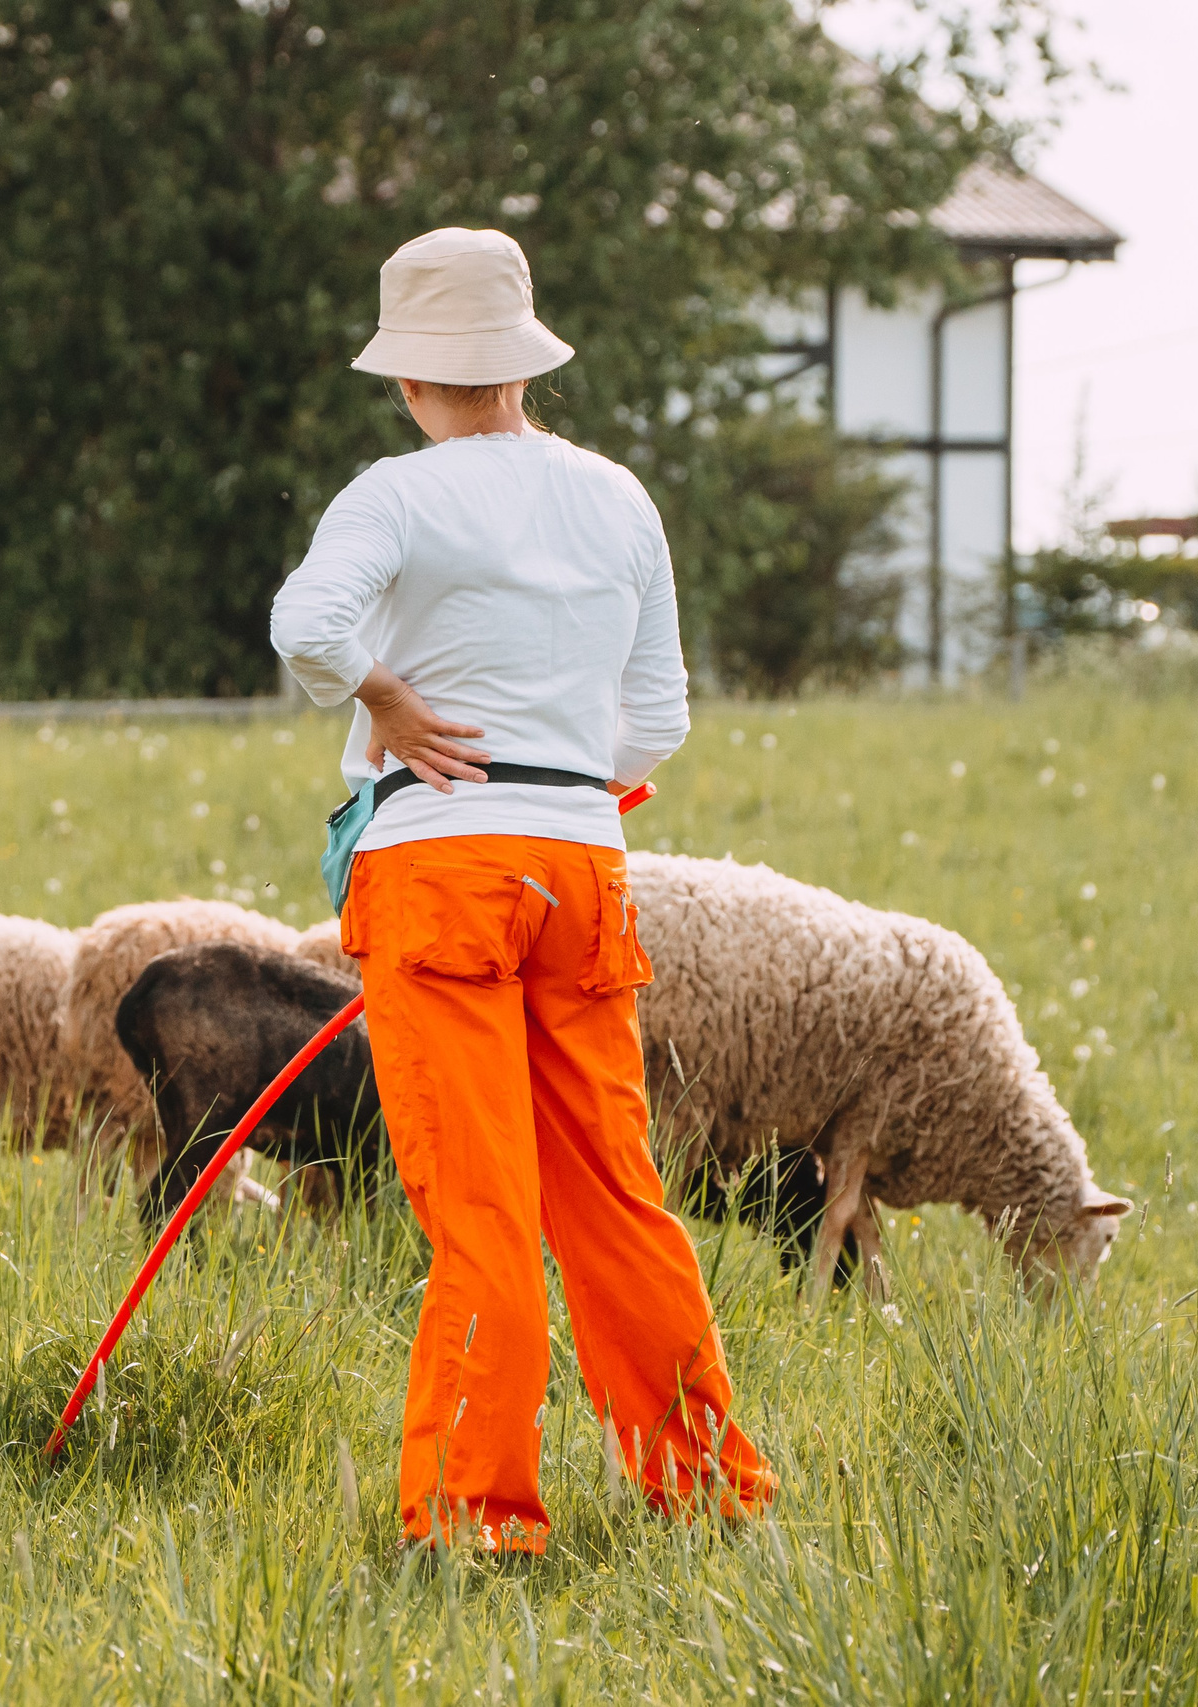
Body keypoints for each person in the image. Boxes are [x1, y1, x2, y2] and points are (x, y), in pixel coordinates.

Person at [271, 227, 774, 1551]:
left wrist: (388, 701)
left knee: (482, 1209)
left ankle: (474, 1520)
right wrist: (565, 781)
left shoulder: (393, 495)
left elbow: (306, 627)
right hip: (580, 868)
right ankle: (707, 1489)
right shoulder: (618, 498)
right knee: (614, 1192)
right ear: (524, 362)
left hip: (440, 868)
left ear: (406, 379)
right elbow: (657, 719)